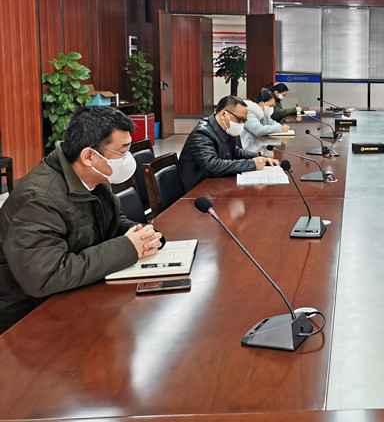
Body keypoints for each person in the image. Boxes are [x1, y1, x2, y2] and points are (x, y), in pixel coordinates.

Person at [0, 106, 164, 333]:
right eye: (122, 151)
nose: (128, 159)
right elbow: (46, 277)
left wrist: (143, 235)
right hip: (29, 320)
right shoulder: (38, 200)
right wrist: (127, 247)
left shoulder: (94, 179)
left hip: (74, 294)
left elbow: (110, 222)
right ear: (88, 156)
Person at [179, 95, 279, 191]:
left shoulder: (227, 128)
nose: (241, 124)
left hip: (217, 183)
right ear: (223, 114)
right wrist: (252, 164)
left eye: (244, 121)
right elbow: (212, 166)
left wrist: (260, 157)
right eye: (239, 119)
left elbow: (234, 151)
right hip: (198, 189)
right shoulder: (202, 133)